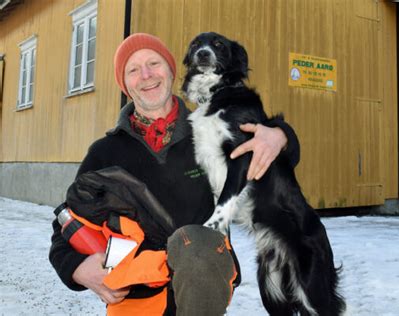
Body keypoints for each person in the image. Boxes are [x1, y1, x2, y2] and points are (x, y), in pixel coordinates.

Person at [49, 33, 300, 315]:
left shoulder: (211, 132)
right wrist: (77, 268)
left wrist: (281, 136)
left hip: (201, 294)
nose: (146, 75)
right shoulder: (105, 153)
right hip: (134, 301)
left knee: (196, 240)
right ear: (125, 84)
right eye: (133, 69)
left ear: (171, 70)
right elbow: (66, 226)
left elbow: (273, 165)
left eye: (154, 63)